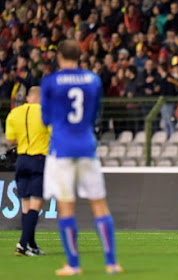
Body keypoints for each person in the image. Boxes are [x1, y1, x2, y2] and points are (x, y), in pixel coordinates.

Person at [40, 40, 123, 276]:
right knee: (99, 205)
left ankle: (73, 265)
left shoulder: (51, 82)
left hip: (62, 150)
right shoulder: (93, 80)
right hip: (87, 147)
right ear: (80, 56)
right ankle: (111, 262)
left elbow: (46, 119)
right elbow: (95, 113)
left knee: (66, 208)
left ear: (58, 57)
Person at [5, 86, 50, 256]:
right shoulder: (45, 112)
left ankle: (32, 244)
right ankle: (22, 245)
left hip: (21, 160)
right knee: (36, 203)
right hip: (39, 159)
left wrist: (24, 137)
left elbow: (10, 141)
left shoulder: (14, 113)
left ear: (28, 97)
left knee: (26, 205)